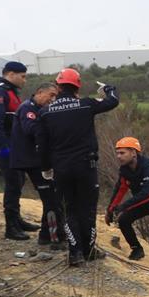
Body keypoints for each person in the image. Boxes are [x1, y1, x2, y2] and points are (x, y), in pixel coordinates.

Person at [36, 68, 119, 266]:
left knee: (69, 210)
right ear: (77, 86)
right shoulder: (86, 104)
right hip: (86, 167)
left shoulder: (45, 112)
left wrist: (46, 168)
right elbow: (113, 101)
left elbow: (42, 145)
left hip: (61, 169)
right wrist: (109, 88)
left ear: (57, 86)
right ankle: (89, 250)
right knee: (87, 209)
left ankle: (75, 254)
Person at [0, 60, 40, 240]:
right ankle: (11, 227)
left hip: (14, 144)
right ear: (10, 74)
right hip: (5, 145)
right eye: (22, 77)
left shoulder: (10, 91)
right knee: (13, 183)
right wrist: (4, 148)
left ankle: (18, 220)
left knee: (19, 180)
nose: (24, 80)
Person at [11, 82, 66, 248]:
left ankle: (44, 236)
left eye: (55, 96)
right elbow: (32, 130)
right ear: (39, 92)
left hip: (38, 159)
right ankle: (55, 238)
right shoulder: (28, 108)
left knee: (52, 198)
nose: (53, 99)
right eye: (51, 95)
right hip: (32, 161)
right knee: (52, 200)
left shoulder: (38, 109)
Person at [104, 137, 149, 260]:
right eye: (118, 153)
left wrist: (123, 206)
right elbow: (120, 189)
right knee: (124, 220)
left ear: (133, 153)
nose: (118, 156)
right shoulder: (125, 170)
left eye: (122, 153)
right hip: (141, 201)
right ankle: (137, 250)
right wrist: (110, 210)